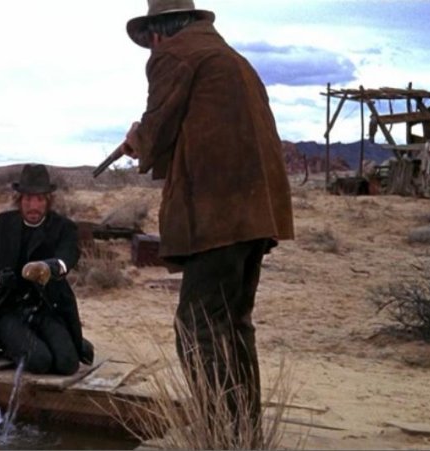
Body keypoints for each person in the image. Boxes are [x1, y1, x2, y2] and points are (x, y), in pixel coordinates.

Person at [119, 0, 295, 444]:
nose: (151, 50)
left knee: (196, 326)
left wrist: (138, 138)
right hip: (256, 212)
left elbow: (158, 127)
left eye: (150, 42)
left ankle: (220, 434)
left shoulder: (175, 55)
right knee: (233, 323)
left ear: (157, 32)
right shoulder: (233, 60)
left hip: (217, 214)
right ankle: (243, 435)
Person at [0, 163, 94, 375]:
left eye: (39, 199)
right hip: (10, 309)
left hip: (48, 308)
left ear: (48, 201)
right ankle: (6, 340)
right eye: (28, 199)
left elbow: (67, 257)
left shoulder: (63, 227)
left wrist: (49, 267)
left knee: (67, 365)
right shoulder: (3, 224)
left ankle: (65, 340)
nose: (33, 206)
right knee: (40, 361)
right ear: (19, 200)